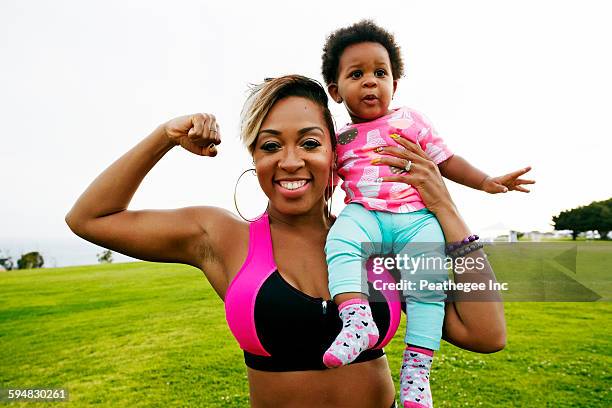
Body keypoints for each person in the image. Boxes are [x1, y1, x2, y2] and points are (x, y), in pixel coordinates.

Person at [65, 74, 506, 407]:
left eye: (310, 143)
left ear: (336, 154)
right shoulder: (220, 238)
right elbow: (90, 218)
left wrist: (446, 209)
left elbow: (485, 335)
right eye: (270, 146)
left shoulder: (381, 242)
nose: (290, 161)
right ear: (254, 159)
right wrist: (163, 137)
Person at [319, 21, 531, 407]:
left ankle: (417, 375)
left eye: (380, 73)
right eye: (357, 74)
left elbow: (446, 161)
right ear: (335, 91)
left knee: (427, 292)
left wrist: (486, 181)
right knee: (340, 239)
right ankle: (357, 321)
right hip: (364, 212)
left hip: (417, 220)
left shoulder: (411, 121)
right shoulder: (339, 140)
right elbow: (326, 186)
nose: (371, 82)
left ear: (395, 84)